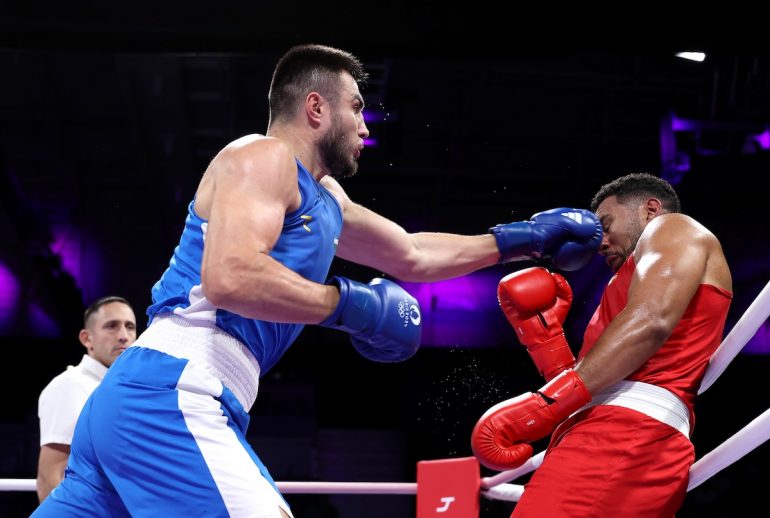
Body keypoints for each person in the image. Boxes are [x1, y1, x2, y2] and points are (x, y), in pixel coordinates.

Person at [32, 44, 601, 518]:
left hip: (148, 400)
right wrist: (348, 304)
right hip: (174, 390)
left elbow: (412, 255)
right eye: (355, 107)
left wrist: (524, 238)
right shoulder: (263, 157)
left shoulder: (323, 199)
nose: (364, 124)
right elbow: (230, 276)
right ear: (315, 107)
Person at [472, 172, 733, 517]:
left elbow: (652, 320)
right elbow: (604, 378)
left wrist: (544, 405)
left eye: (606, 226)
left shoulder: (673, 227)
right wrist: (548, 343)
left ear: (650, 209)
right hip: (609, 435)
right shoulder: (628, 285)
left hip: (622, 436)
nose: (599, 242)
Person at [36, 295, 137, 502]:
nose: (124, 336)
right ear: (86, 338)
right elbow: (50, 477)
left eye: (130, 327)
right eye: (112, 326)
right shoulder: (70, 385)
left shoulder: (131, 389)